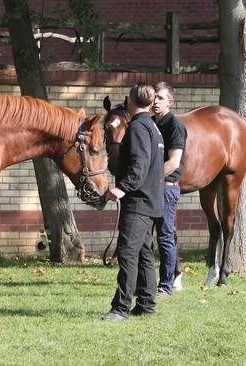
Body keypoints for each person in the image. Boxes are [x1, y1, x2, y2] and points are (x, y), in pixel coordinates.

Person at [102, 82, 165, 321]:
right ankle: (147, 304)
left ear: (128, 101)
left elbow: (139, 165)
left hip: (138, 202)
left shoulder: (138, 127)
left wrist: (122, 188)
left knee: (128, 253)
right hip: (151, 201)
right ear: (150, 103)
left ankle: (121, 308)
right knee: (144, 254)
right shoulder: (153, 127)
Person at [152, 82, 188, 298]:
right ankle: (146, 284)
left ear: (170, 102)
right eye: (154, 97)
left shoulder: (174, 125)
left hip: (166, 190)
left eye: (161, 98)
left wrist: (147, 180)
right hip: (153, 190)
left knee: (165, 237)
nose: (156, 101)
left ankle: (166, 286)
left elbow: (174, 163)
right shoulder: (151, 124)